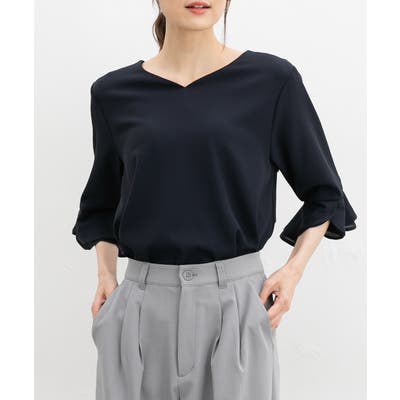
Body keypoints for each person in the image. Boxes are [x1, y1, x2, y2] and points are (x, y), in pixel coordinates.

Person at [72, 1, 357, 399]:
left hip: (236, 307)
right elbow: (102, 202)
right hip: (139, 309)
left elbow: (325, 192)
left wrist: (292, 273)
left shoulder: (271, 82)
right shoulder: (113, 93)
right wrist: (106, 275)